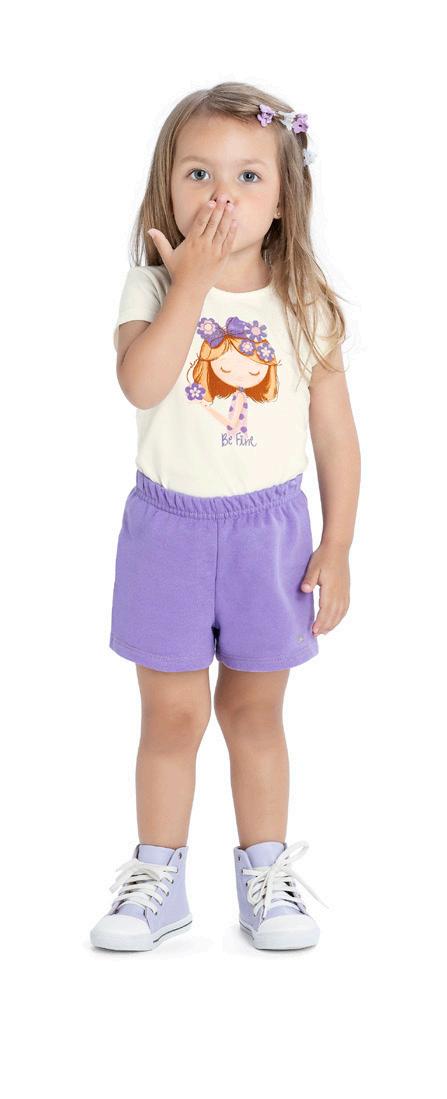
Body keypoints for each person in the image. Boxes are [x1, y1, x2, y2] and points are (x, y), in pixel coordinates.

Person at [90, 82, 361, 953]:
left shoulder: (304, 300)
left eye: (248, 176)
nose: (221, 194)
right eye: (198, 173)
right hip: (167, 532)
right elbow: (142, 384)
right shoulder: (150, 285)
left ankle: (266, 876)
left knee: (253, 712)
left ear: (283, 200)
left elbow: (335, 435)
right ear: (166, 187)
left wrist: (337, 543)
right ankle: (156, 879)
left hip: (266, 535)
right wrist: (192, 283)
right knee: (171, 717)